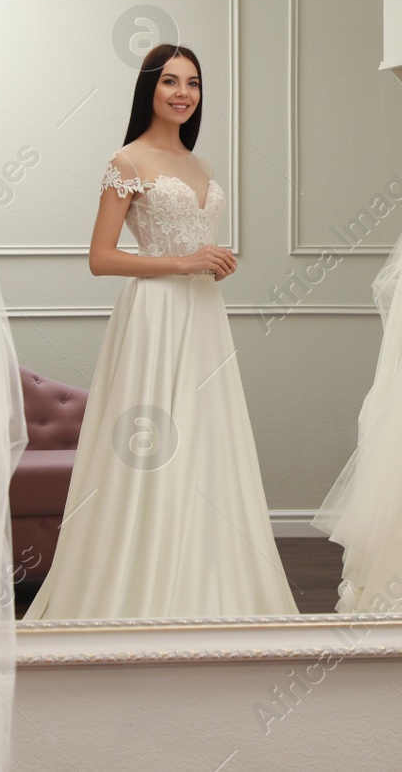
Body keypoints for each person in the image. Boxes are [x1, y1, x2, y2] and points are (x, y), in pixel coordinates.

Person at [26, 44, 299, 619]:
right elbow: (101, 258)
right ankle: (140, 586)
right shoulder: (126, 162)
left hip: (203, 317)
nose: (183, 93)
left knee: (206, 439)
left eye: (193, 83)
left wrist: (212, 260)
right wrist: (182, 263)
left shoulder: (203, 167)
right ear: (149, 89)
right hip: (154, 317)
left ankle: (207, 583)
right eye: (171, 81)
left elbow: (195, 243)